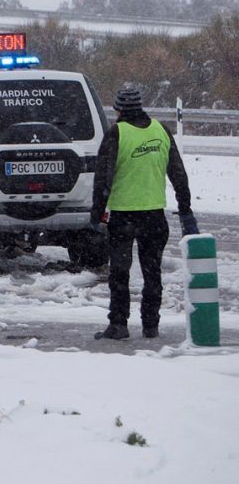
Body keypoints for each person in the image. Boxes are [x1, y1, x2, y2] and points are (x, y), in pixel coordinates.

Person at [90, 86, 197, 341]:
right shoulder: (161, 130)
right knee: (152, 273)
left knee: (119, 272)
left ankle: (118, 324)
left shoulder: (116, 133)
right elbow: (178, 173)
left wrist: (96, 213)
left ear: (117, 109)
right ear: (140, 106)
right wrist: (185, 208)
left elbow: (103, 177)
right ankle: (151, 325)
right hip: (154, 216)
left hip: (124, 216)